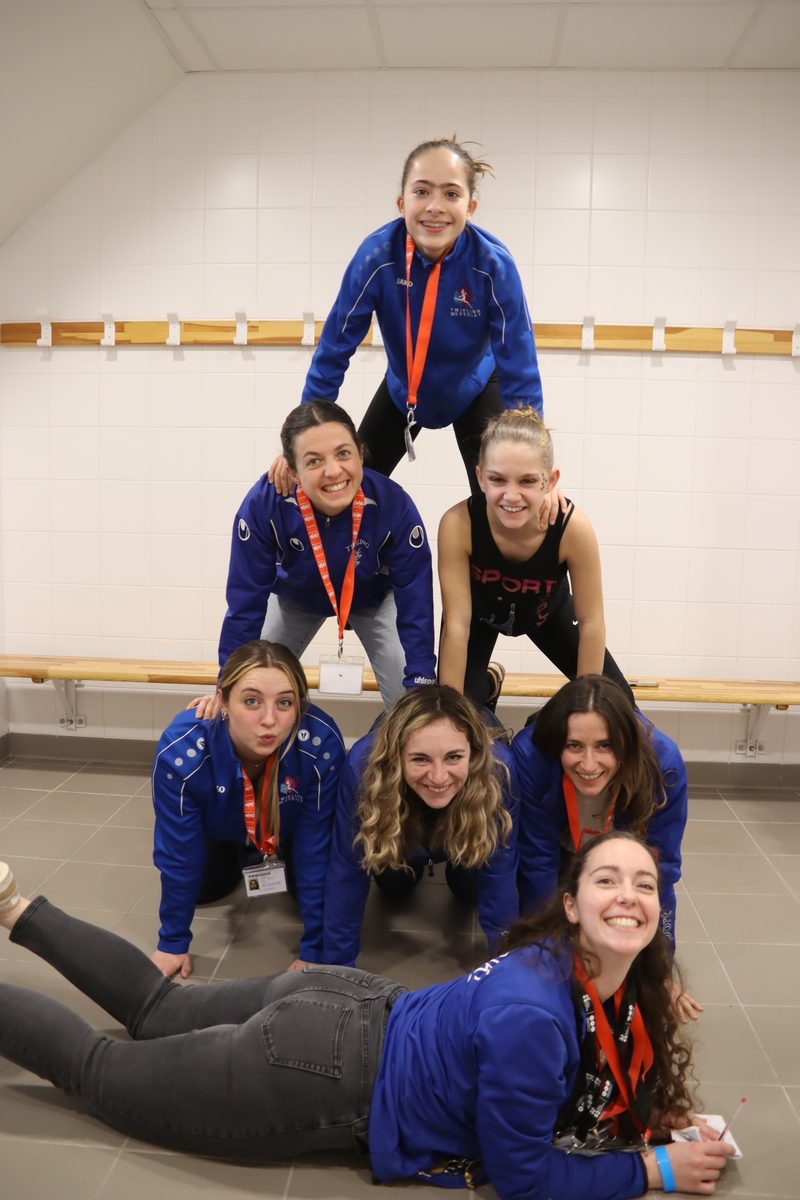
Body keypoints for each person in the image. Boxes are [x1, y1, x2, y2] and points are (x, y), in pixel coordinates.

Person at [0, 835, 736, 1196]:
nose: (628, 895)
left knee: (160, 1006)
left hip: (348, 999)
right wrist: (651, 1169)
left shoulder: (579, 966)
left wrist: (647, 1115)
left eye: (644, 884)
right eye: (607, 880)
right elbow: (523, 1178)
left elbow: (594, 1059)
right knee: (97, 1070)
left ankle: (11, 904)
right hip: (321, 1072)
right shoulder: (533, 1016)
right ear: (572, 905)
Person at [267, 137, 547, 497]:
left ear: (470, 207)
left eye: (451, 194)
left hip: (475, 386)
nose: (435, 206)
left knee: (500, 494)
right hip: (403, 391)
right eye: (421, 191)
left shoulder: (493, 265)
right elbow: (334, 348)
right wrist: (300, 440)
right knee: (351, 488)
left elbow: (519, 363)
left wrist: (537, 460)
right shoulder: (377, 256)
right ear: (402, 203)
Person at [219, 400, 436, 710]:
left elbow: (416, 600)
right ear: (292, 471)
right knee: (249, 687)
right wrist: (227, 684)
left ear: (361, 452)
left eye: (343, 453)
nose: (333, 471)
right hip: (296, 596)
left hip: (374, 597)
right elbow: (244, 603)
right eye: (313, 461)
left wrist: (421, 681)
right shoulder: (266, 502)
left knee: (412, 704)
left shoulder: (392, 502)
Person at [511, 674, 700, 1022]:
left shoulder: (663, 762)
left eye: (604, 746)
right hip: (562, 841)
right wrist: (539, 961)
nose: (588, 764)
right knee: (567, 910)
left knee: (620, 896)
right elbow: (538, 865)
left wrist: (659, 972)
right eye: (573, 746)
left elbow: (660, 876)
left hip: (619, 829)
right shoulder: (531, 752)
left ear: (626, 742)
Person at [151, 639, 344, 979]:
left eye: (284, 702)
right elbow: (179, 852)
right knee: (203, 889)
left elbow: (316, 845)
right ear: (223, 701)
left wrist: (316, 947)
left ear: (300, 705)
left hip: (292, 830)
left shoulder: (320, 743)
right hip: (219, 829)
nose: (269, 720)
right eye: (251, 701)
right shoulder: (182, 749)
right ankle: (249, 851)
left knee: (306, 884)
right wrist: (172, 943)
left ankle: (265, 850)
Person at [438, 406, 634, 710]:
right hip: (477, 618)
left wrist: (589, 710)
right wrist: (449, 713)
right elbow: (457, 624)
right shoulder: (458, 525)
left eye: (527, 481)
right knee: (461, 710)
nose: (511, 496)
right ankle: (487, 684)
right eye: (498, 479)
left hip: (548, 616)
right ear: (480, 478)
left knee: (618, 706)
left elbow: (591, 623)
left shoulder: (572, 529)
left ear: (550, 481)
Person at [322, 685, 519, 967]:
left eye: (454, 757)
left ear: (474, 754)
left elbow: (501, 873)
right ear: (396, 755)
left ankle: (485, 688)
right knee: (393, 884)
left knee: (470, 888)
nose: (438, 777)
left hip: (462, 822)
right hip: (406, 823)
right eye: (420, 758)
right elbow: (346, 870)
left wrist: (509, 968)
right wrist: (337, 967)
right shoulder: (364, 766)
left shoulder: (498, 768)